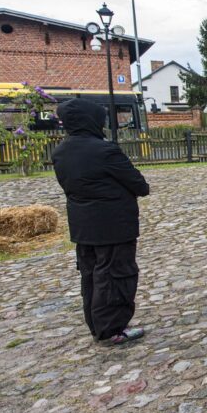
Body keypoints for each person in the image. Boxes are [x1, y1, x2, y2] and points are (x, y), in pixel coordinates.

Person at [51, 98, 149, 346]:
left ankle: (97, 324)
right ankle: (112, 328)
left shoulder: (61, 151)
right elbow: (138, 184)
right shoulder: (104, 150)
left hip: (83, 225)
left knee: (91, 274)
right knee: (115, 275)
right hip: (113, 224)